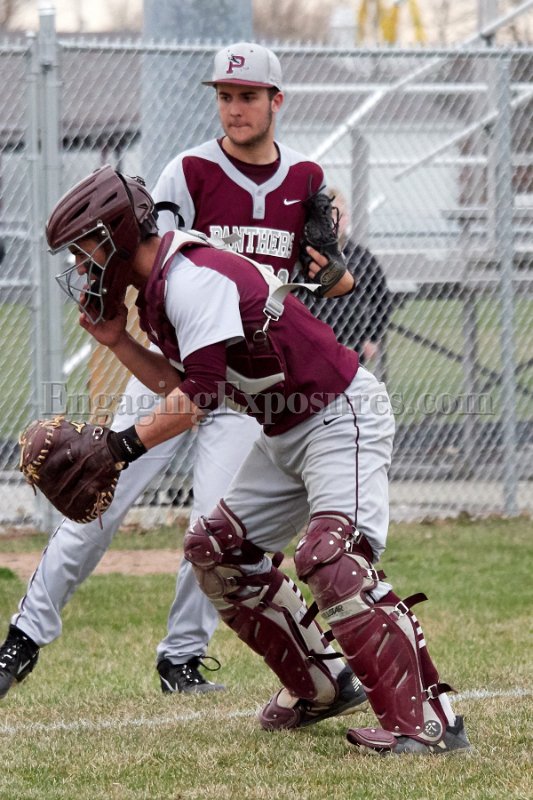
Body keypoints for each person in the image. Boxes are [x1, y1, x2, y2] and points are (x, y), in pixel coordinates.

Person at [41, 164, 470, 754]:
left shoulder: (188, 278)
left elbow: (201, 396)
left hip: (338, 408)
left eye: (84, 249)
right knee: (215, 550)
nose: (80, 266)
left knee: (330, 556)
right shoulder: (161, 287)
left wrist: (121, 447)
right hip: (285, 426)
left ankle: (429, 722)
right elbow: (181, 384)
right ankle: (322, 685)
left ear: (114, 234)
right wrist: (118, 341)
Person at [0, 43, 359, 700]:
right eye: (225, 96)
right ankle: (21, 640)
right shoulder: (188, 171)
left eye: (248, 96)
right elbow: (143, 258)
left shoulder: (307, 176)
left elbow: (333, 282)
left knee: (213, 525)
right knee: (96, 491)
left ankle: (183, 658)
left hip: (246, 386)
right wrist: (119, 343)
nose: (235, 108)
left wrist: (331, 265)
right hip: (173, 368)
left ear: (276, 101)